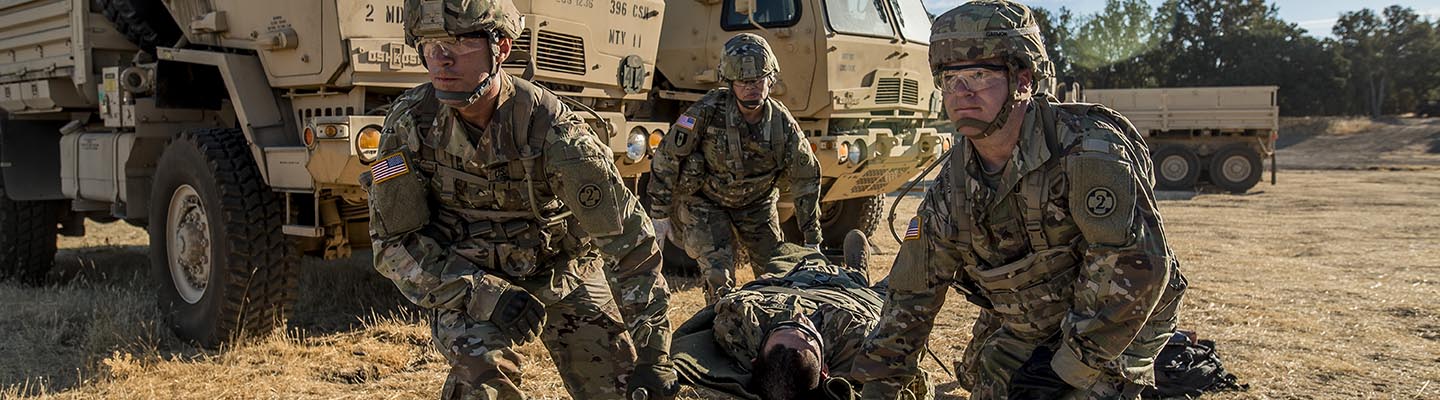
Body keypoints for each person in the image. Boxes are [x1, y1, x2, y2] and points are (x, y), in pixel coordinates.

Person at [849, 1, 1188, 399]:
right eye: (950, 80)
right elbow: (911, 295)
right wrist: (875, 385)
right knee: (988, 382)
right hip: (1036, 316)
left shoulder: (1087, 150)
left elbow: (1137, 268)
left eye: (978, 75)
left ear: (1023, 80)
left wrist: (1066, 369)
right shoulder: (951, 186)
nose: (962, 93)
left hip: (1123, 318)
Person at [364, 0, 677, 398]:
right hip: (467, 277)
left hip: (560, 272)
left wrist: (654, 354)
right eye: (429, 45)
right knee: (483, 380)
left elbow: (628, 241)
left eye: (458, 44)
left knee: (624, 388)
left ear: (502, 48)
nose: (440, 60)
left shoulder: (555, 132)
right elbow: (393, 245)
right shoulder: (407, 125)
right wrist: (483, 294)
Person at [647, 33, 823, 304]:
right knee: (719, 280)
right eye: (742, 82)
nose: (751, 88)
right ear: (730, 83)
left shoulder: (782, 123)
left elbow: (806, 179)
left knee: (777, 276)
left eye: (758, 80)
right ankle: (721, 327)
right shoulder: (706, 111)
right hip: (707, 202)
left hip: (758, 203)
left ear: (770, 80)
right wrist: (659, 215)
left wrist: (812, 238)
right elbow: (667, 155)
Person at [670, 236, 932, 400]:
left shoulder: (737, 329)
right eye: (808, 335)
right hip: (858, 297)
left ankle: (855, 272)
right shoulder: (860, 346)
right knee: (914, 274)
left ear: (753, 357)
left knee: (784, 254)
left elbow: (727, 302)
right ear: (826, 370)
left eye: (781, 327)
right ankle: (858, 273)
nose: (798, 318)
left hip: (800, 278)